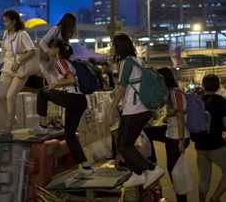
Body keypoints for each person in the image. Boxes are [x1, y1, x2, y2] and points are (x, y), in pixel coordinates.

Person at [29, 38, 94, 179]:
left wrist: (55, 85)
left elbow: (71, 79)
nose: (49, 51)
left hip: (73, 99)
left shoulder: (60, 61)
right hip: (80, 101)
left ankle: (43, 126)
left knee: (42, 92)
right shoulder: (70, 62)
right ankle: (86, 167)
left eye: (51, 48)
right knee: (69, 136)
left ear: (57, 50)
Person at [107, 33, 164, 189]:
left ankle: (151, 169)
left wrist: (111, 110)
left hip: (134, 110)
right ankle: (137, 174)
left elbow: (122, 88)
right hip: (145, 109)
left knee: (123, 144)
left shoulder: (126, 62)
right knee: (128, 143)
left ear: (117, 47)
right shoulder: (139, 61)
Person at [0, 10, 36, 134]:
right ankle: (12, 116)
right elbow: (5, 46)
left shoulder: (22, 34)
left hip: (20, 70)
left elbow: (31, 51)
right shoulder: (5, 34)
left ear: (13, 21)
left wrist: (18, 61)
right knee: (1, 95)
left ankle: (9, 125)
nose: (4, 23)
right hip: (7, 69)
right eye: (3, 21)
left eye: (6, 21)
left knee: (10, 96)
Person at [195, 74, 226, 202]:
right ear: (218, 85)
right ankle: (214, 198)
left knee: (203, 178)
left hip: (200, 145)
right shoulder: (221, 101)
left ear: (203, 85)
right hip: (216, 145)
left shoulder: (197, 100)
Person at [157, 67, 190, 202]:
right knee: (173, 169)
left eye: (158, 79)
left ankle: (182, 199)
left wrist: (181, 140)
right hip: (172, 134)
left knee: (175, 171)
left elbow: (180, 116)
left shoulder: (175, 93)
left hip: (177, 136)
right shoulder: (171, 92)